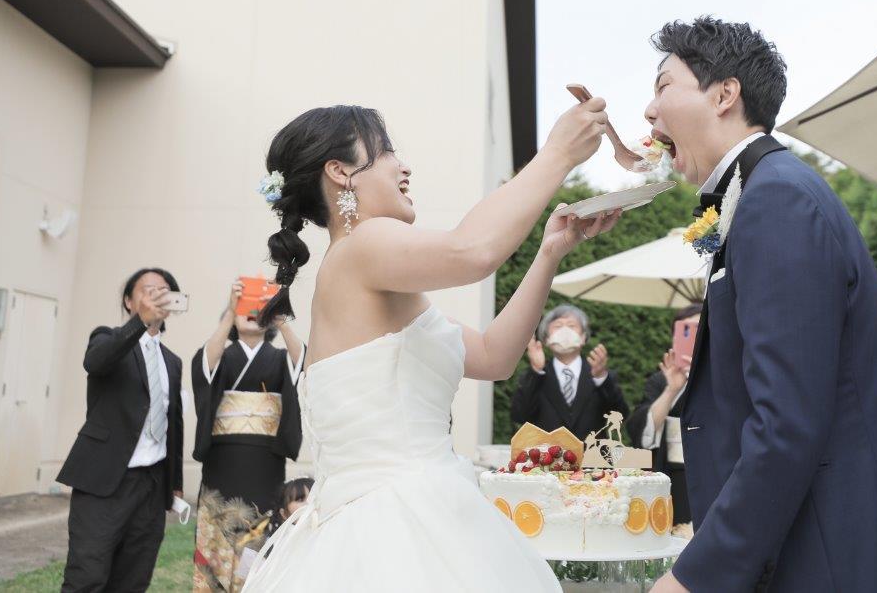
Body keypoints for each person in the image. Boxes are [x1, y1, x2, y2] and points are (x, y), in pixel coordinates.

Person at [642, 17, 877, 593]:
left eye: (663, 86)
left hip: (838, 548)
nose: (648, 111)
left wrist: (698, 575)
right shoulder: (764, 189)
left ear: (724, 94)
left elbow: (788, 421)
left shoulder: (777, 200)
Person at [242, 101, 620, 591]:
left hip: (398, 514)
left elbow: (494, 356)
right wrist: (557, 154)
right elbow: (472, 250)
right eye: (387, 152)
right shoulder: (363, 245)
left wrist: (549, 253)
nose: (405, 167)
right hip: (396, 525)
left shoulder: (369, 276)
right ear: (340, 172)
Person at [57, 268, 185, 593]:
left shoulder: (172, 362)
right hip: (105, 480)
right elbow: (95, 362)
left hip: (151, 486)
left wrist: (175, 484)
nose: (156, 297)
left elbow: (174, 424)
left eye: (163, 291)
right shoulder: (106, 339)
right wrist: (139, 322)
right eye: (148, 290)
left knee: (133, 579)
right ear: (129, 301)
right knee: (87, 576)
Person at [192, 280, 306, 592]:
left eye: (260, 310)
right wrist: (231, 311)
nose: (252, 313)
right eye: (245, 309)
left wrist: (282, 319)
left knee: (257, 542)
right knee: (216, 537)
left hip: (265, 461)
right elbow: (204, 365)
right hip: (222, 460)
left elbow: (303, 363)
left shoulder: (280, 358)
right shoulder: (223, 355)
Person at [626, 303, 700, 527]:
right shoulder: (659, 380)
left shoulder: (725, 375)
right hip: (672, 471)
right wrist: (672, 390)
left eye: (701, 328)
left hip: (711, 469)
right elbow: (644, 432)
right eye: (687, 329)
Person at [510, 305, 629, 441]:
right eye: (558, 326)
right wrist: (536, 371)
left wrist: (601, 378)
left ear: (584, 337)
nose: (565, 331)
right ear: (546, 338)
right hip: (548, 453)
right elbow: (519, 415)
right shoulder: (535, 376)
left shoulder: (600, 375)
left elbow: (620, 415)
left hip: (592, 453)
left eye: (572, 326)